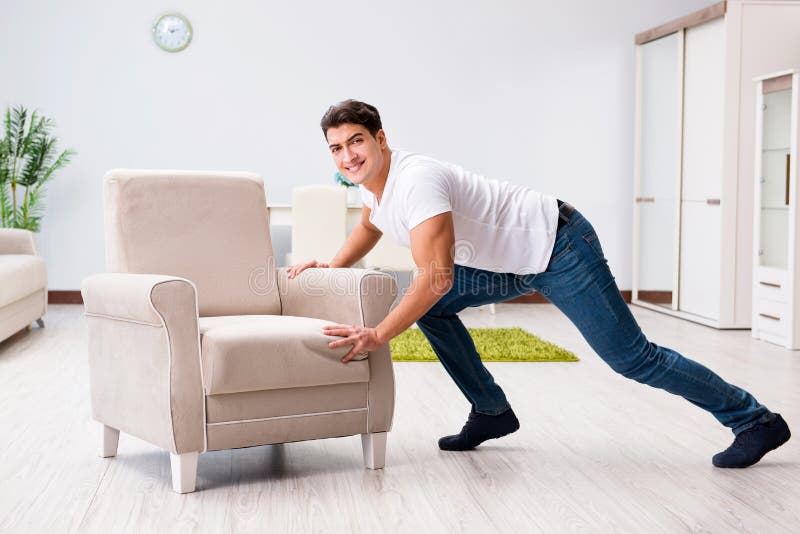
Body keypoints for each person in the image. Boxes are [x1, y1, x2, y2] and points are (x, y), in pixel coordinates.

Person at [287, 99, 791, 467]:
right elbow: (371, 225)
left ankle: (754, 420)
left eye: (356, 140)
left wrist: (378, 335)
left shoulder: (416, 180)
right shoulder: (375, 188)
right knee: (431, 310)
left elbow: (436, 278)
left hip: (559, 247)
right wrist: (332, 266)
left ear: (380, 139)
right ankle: (491, 410)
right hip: (508, 264)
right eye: (336, 148)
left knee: (632, 358)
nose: (347, 155)